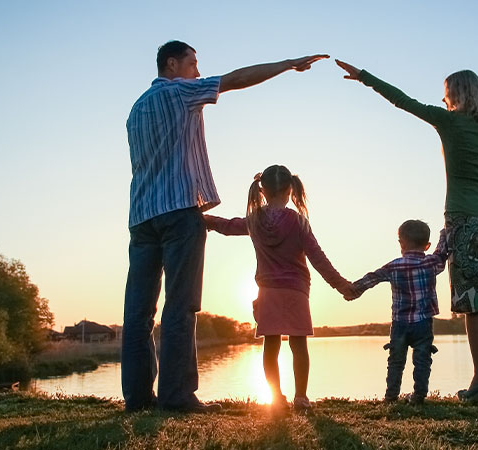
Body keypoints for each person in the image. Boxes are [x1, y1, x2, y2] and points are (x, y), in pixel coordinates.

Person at [123, 40, 328, 413]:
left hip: (141, 216)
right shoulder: (179, 93)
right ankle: (176, 398)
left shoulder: (135, 109)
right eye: (192, 64)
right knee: (180, 306)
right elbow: (236, 79)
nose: (197, 73)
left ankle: (137, 399)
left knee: (138, 313)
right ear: (172, 64)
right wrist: (287, 63)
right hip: (179, 210)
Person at [335, 60, 478, 403]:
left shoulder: (449, 121)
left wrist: (364, 76)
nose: (444, 99)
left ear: (456, 95)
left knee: (475, 304)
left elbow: (403, 101)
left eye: (447, 93)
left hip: (464, 218)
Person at [204, 165, 354, 412]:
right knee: (299, 345)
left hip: (268, 292)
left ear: (262, 191)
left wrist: (205, 220)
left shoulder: (255, 221)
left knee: (270, 346)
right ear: (289, 189)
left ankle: (276, 397)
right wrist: (341, 285)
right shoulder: (297, 221)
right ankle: (301, 397)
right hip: (296, 291)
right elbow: (318, 258)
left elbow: (228, 226)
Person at [345, 220, 448, 405]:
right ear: (427, 245)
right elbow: (442, 253)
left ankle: (391, 396)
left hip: (400, 324)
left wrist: (354, 290)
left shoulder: (394, 266)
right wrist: (444, 232)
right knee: (422, 360)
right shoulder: (431, 263)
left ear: (401, 243)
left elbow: (373, 277)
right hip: (424, 323)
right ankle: (419, 396)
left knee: (395, 361)